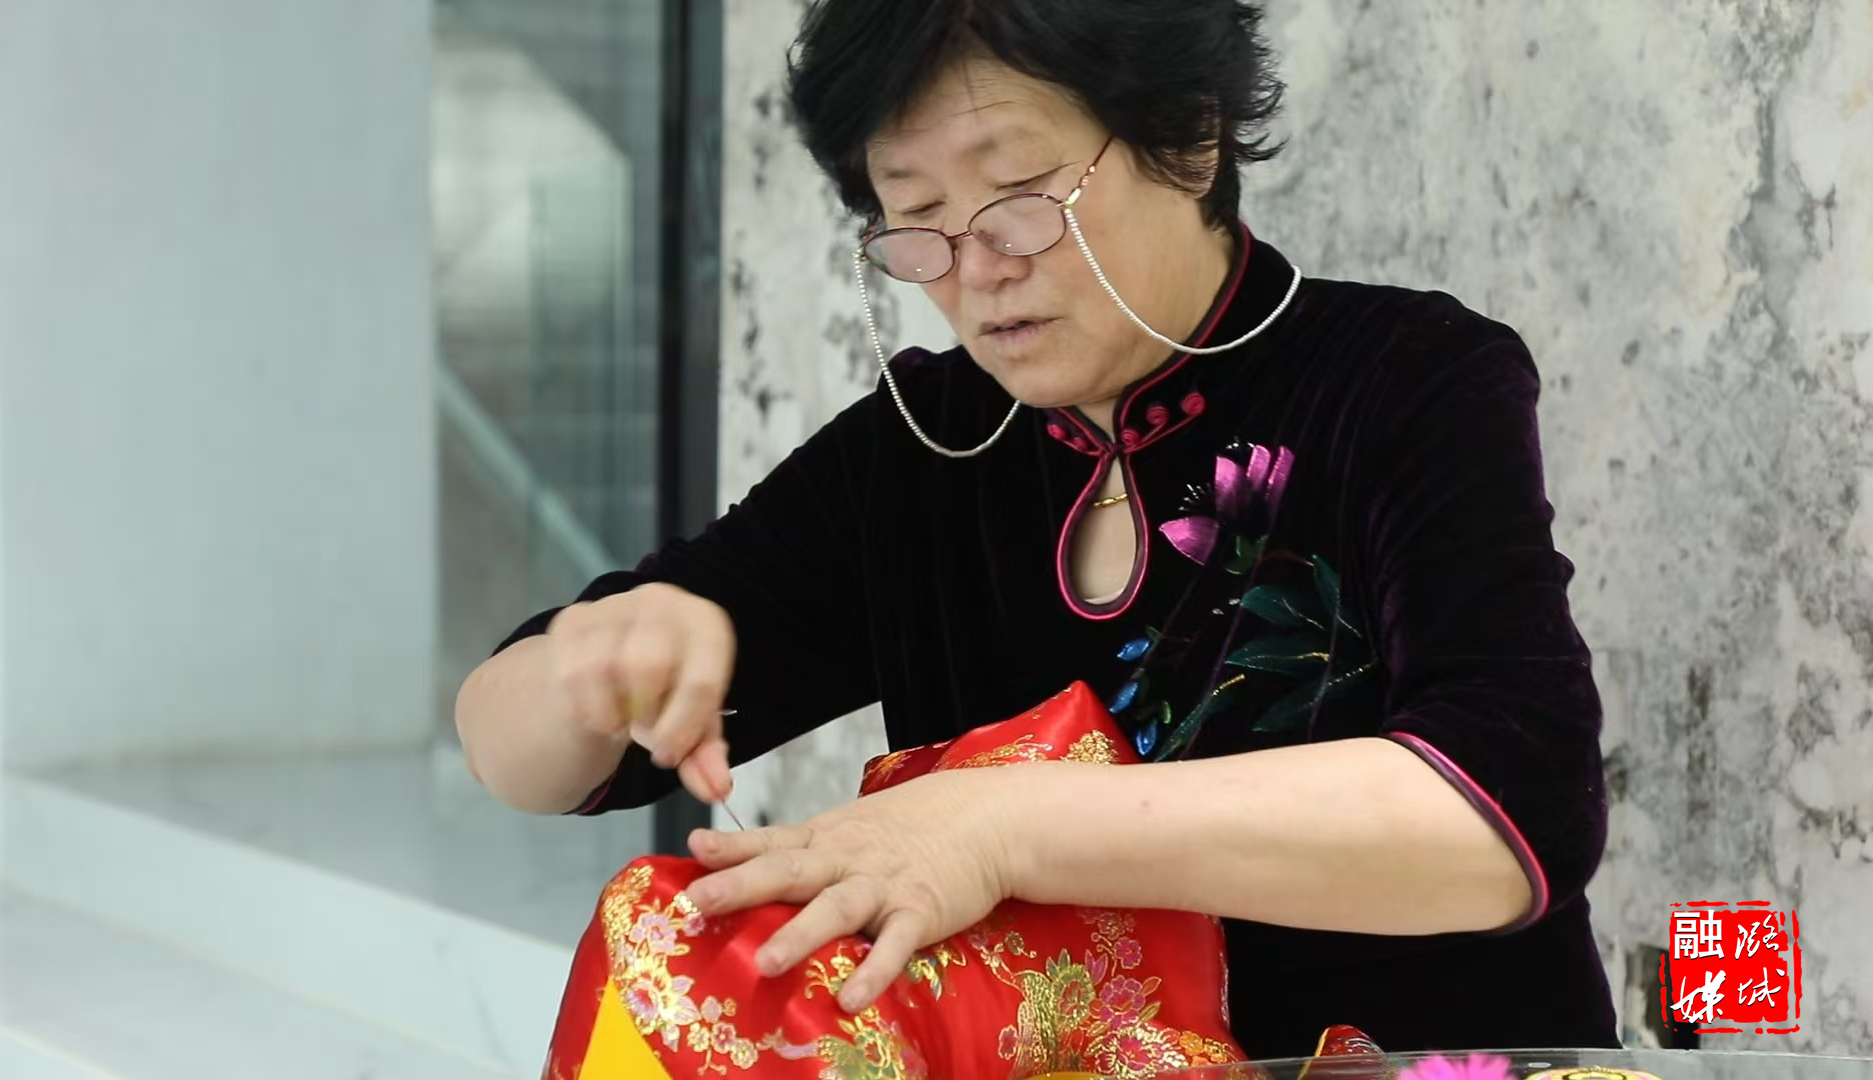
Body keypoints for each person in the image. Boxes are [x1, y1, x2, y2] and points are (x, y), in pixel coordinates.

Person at [456, 0, 1618, 1059]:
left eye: (1019, 198)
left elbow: (1507, 812)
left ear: (1188, 139)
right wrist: (587, 669)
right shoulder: (921, 451)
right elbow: (525, 757)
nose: (976, 272)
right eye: (917, 219)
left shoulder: (1403, 380)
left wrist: (997, 829)